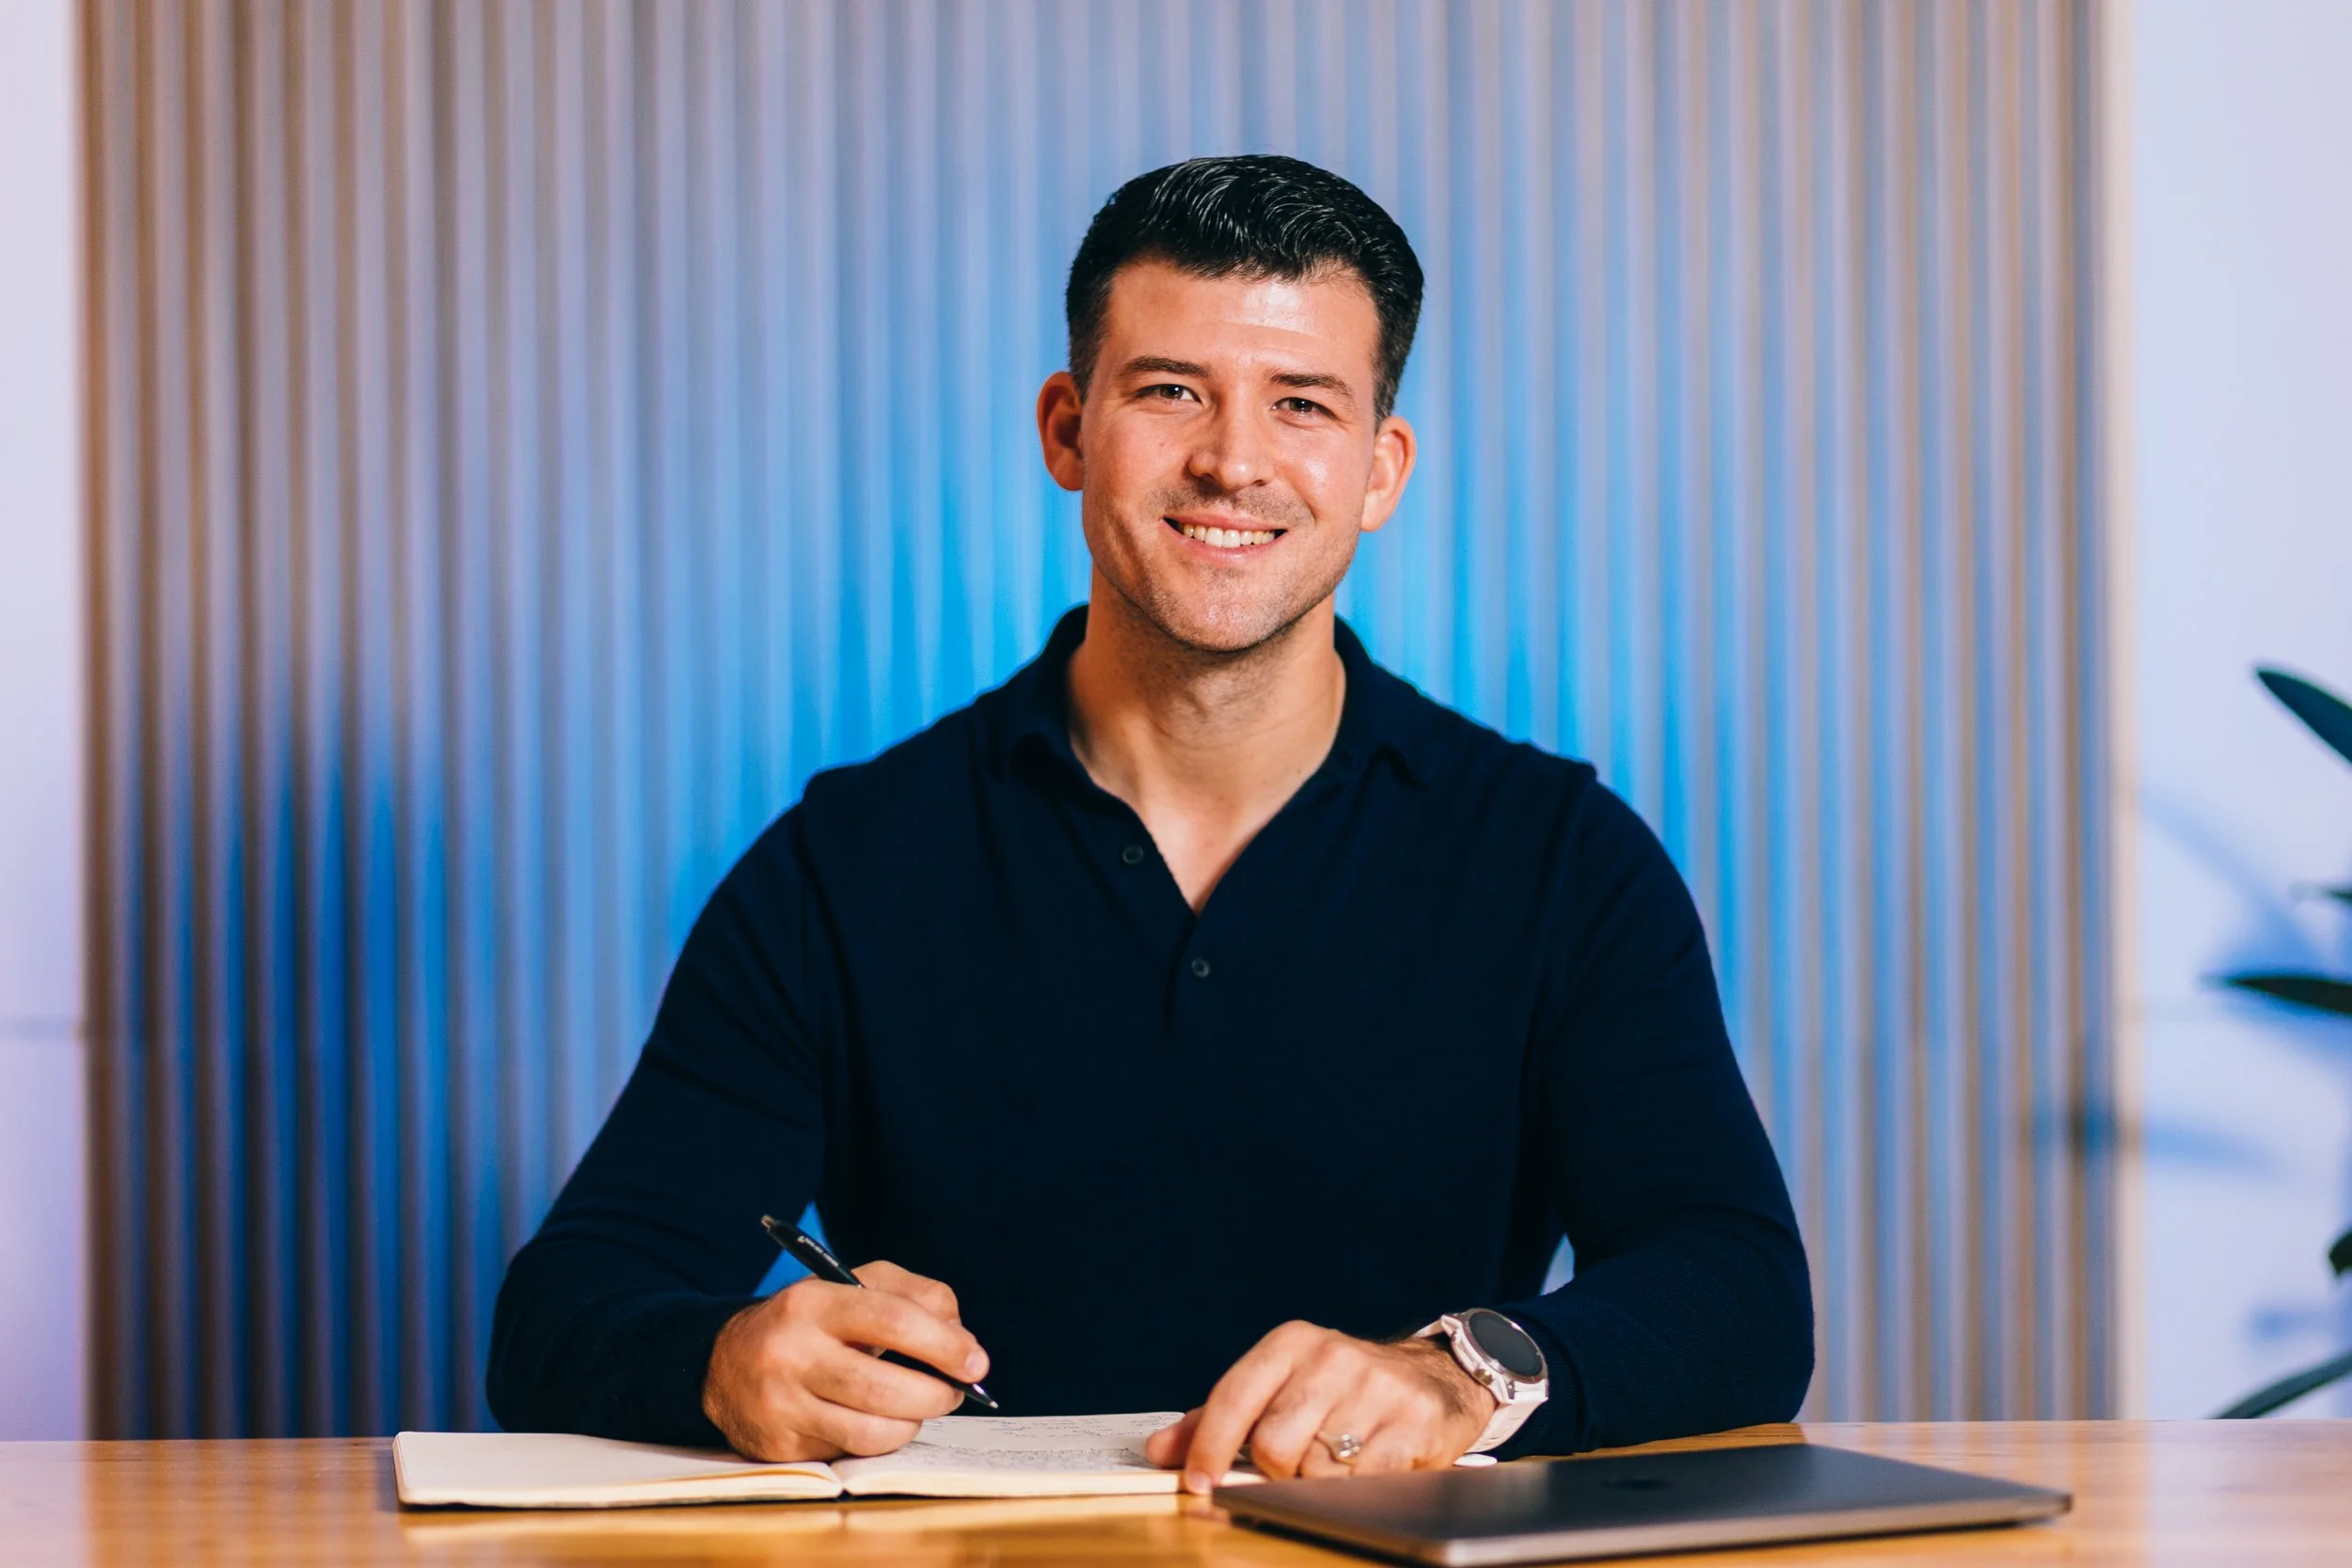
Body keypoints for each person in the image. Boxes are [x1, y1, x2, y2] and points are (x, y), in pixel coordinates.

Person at [487, 154, 1811, 1490]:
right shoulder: (848, 864)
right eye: (1171, 389)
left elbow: (1743, 1287)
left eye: (1303, 404)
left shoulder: (1558, 857)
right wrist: (722, 1357)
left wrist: (1460, 1370)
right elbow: (566, 1304)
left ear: (1378, 470)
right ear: (1067, 429)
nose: (1234, 460)